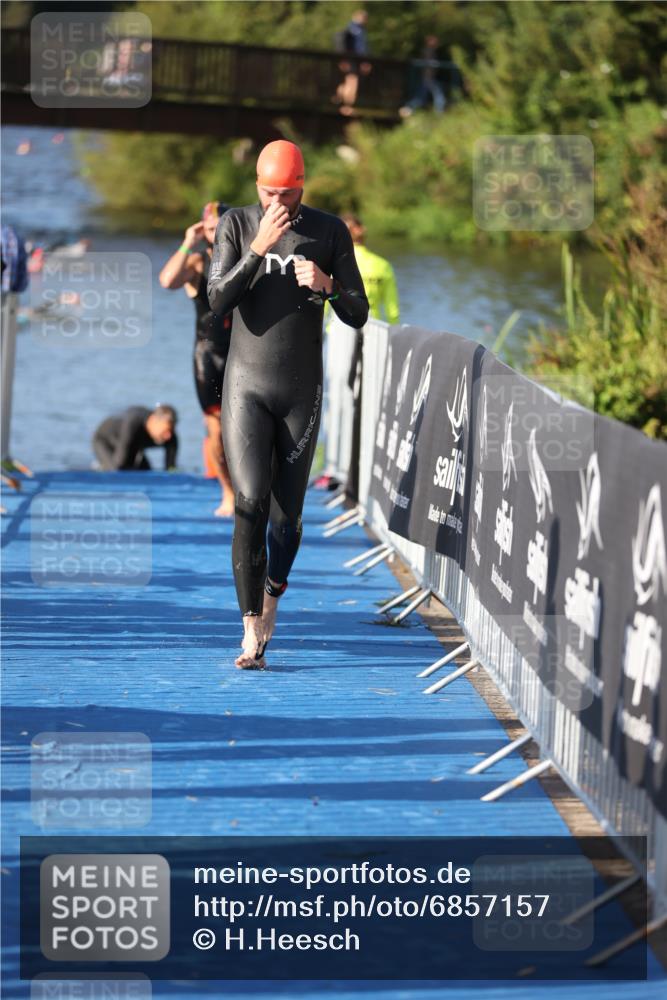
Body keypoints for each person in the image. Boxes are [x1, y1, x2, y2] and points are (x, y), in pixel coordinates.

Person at [208, 139, 368, 670]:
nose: (276, 201)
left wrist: (326, 285)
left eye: (285, 193)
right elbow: (217, 301)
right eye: (266, 191)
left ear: (301, 187)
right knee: (249, 503)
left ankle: (273, 594)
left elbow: (359, 312)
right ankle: (250, 626)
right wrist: (259, 248)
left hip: (300, 389)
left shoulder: (328, 231)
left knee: (287, 519)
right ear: (257, 186)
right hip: (246, 385)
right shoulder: (236, 225)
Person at [159, 201, 234, 516]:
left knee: (249, 427)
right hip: (208, 355)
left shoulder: (246, 258)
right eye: (208, 228)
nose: (213, 234)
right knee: (217, 431)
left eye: (218, 227)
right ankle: (228, 492)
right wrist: (187, 243)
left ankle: (255, 489)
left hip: (242, 352)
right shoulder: (197, 263)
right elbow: (167, 281)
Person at [342, 213, 399, 502]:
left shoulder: (339, 261)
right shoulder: (382, 265)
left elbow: (326, 305)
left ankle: (342, 472)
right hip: (375, 337)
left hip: (341, 334)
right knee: (371, 405)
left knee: (338, 405)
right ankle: (363, 473)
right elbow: (394, 312)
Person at [92, 404, 178, 471]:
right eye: (166, 430)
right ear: (154, 421)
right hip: (104, 440)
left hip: (133, 445)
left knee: (146, 471)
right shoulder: (133, 424)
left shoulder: (171, 437)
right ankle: (100, 468)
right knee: (117, 469)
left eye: (171, 430)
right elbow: (121, 463)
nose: (168, 436)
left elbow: (171, 469)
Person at [334, 9, 371, 115]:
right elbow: (361, 48)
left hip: (353, 60)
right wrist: (365, 61)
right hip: (352, 60)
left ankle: (338, 97)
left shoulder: (357, 29)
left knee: (348, 82)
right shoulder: (355, 30)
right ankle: (347, 107)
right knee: (353, 82)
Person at [400, 35, 446, 116]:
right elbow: (427, 64)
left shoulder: (430, 51)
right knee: (438, 96)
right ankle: (439, 113)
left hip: (428, 78)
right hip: (428, 78)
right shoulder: (427, 51)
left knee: (422, 97)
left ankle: (408, 108)